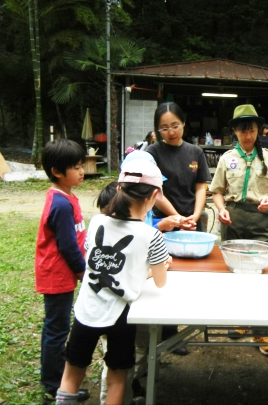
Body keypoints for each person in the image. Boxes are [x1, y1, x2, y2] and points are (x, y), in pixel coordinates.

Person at [55, 159, 171, 405]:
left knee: (72, 372)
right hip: (120, 316)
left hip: (86, 308)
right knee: (118, 378)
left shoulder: (97, 222)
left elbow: (93, 261)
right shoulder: (152, 235)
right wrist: (149, 270)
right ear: (154, 195)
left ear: (118, 189)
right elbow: (161, 282)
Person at [210, 104, 268, 357]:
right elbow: (217, 191)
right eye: (242, 131)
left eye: (251, 130)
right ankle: (239, 320)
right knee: (233, 271)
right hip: (232, 219)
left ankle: (261, 329)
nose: (248, 135)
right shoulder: (227, 158)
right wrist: (221, 209)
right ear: (235, 132)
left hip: (259, 218)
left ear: (259, 131)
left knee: (261, 272)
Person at [35, 139, 90, 404]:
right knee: (57, 330)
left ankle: (53, 378)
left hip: (62, 272)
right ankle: (54, 385)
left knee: (54, 327)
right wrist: (82, 272)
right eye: (77, 167)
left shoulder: (65, 196)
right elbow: (67, 246)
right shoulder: (61, 204)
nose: (82, 171)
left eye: (82, 165)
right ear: (57, 171)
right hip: (58, 274)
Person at [146, 102, 211, 232]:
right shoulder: (152, 152)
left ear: (183, 123)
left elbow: (200, 188)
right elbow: (154, 191)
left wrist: (195, 216)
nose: (171, 132)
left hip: (191, 222)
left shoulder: (196, 152)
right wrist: (177, 218)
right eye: (164, 128)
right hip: (163, 222)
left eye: (175, 126)